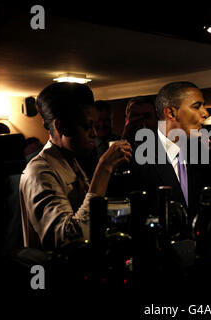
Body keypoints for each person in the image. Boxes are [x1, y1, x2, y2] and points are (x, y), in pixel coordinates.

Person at [19, 82, 132, 250]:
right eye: (87, 126)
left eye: (94, 125)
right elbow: (67, 240)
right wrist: (104, 168)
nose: (94, 133)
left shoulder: (71, 161)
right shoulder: (40, 172)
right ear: (60, 126)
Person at [131, 81, 211, 222]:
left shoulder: (203, 153)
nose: (205, 113)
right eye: (197, 106)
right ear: (171, 113)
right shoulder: (139, 157)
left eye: (203, 106)